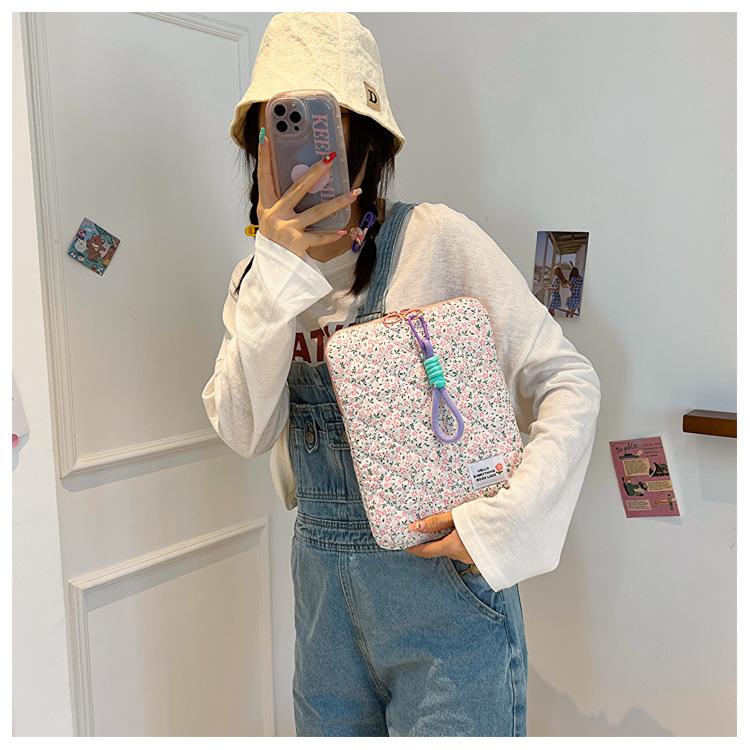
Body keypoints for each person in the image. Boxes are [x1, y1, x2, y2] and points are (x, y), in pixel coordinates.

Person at [202, 12, 601, 737]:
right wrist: (276, 275)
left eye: (325, 132)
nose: (305, 160)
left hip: (445, 601)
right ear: (257, 147)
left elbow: (566, 378)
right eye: (280, 132)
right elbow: (243, 431)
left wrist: (506, 523)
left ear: (367, 142)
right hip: (323, 609)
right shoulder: (254, 285)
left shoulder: (435, 240)